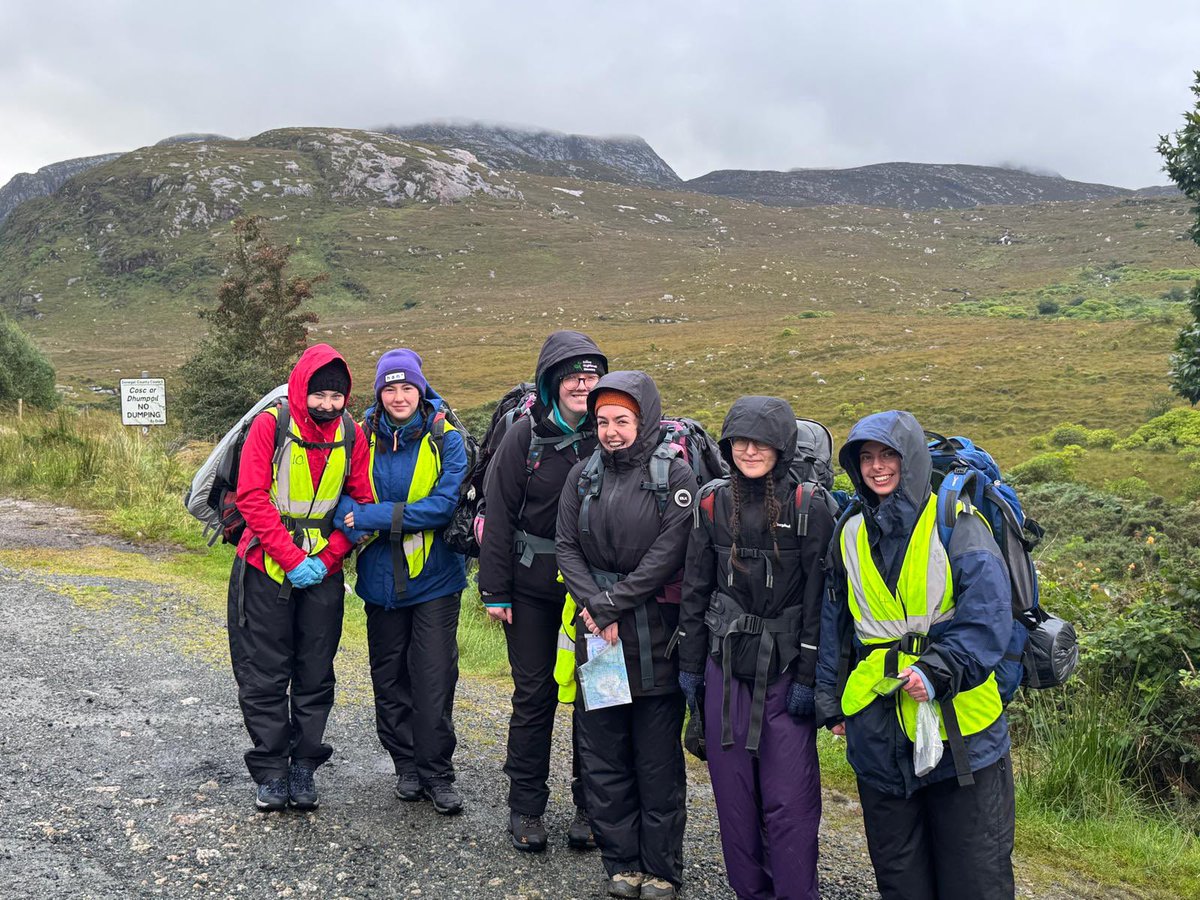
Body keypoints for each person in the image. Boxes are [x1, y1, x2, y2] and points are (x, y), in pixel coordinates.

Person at [815, 410, 1016, 900]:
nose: (877, 467)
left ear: (914, 461)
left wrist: (940, 669)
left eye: (889, 455)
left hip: (961, 730)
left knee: (975, 876)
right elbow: (836, 624)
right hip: (879, 729)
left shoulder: (956, 525)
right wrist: (828, 699)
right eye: (866, 457)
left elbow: (990, 615)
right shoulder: (850, 531)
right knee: (899, 874)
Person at [678, 396, 833, 900]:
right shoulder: (710, 502)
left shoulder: (809, 506)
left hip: (785, 670)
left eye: (760, 442)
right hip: (725, 667)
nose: (748, 450)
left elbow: (819, 600)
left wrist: (810, 678)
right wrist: (691, 670)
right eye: (739, 441)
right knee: (735, 801)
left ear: (782, 447)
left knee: (789, 803)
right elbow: (696, 588)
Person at [555, 372, 693, 900]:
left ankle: (662, 869)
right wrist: (595, 605)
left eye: (622, 421)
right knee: (604, 753)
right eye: (603, 421)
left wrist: (611, 602)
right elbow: (566, 546)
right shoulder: (582, 476)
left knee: (656, 758)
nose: (611, 431)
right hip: (599, 639)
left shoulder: (675, 475)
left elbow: (669, 553)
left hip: (653, 636)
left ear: (645, 421)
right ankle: (622, 863)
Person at [227, 343, 372, 811]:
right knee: (264, 674)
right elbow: (251, 497)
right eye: (320, 395)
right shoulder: (271, 424)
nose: (328, 405)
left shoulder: (352, 434)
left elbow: (361, 503)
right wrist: (292, 559)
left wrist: (328, 560)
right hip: (264, 570)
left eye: (337, 396)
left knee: (314, 672)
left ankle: (304, 767)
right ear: (300, 389)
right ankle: (271, 771)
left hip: (323, 575)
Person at [477, 330, 607, 851]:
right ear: (551, 381)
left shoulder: (610, 435)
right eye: (571, 374)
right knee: (535, 697)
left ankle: (590, 807)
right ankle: (526, 807)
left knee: (594, 701)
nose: (582, 383)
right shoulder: (522, 437)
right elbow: (500, 514)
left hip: (594, 597)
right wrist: (495, 591)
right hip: (530, 591)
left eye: (591, 374)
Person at [332, 349, 469, 815]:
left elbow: (442, 507)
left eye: (406, 387)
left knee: (433, 680)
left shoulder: (445, 437)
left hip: (435, 580)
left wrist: (370, 516)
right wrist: (352, 520)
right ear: (379, 393)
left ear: (421, 389)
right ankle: (405, 766)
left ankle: (438, 773)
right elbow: (340, 501)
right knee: (388, 678)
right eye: (389, 388)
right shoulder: (359, 437)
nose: (398, 396)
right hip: (379, 581)